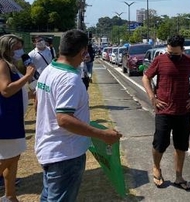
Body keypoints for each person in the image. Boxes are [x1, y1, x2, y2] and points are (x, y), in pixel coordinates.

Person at [35, 29, 122, 201]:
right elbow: (64, 119)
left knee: (48, 197)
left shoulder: (49, 70)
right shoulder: (69, 79)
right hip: (65, 154)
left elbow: (40, 103)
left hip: (49, 148)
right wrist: (104, 135)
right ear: (83, 52)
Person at [142, 35, 190, 190]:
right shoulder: (160, 60)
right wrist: (152, 97)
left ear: (182, 50)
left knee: (181, 145)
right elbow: (146, 78)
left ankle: (179, 177)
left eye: (175, 54)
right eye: (169, 52)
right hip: (163, 110)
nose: (171, 56)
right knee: (160, 143)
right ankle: (156, 167)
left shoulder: (189, 61)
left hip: (183, 111)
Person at [0, 34, 36, 202]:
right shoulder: (2, 65)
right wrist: (28, 76)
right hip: (6, 119)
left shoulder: (11, 66)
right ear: (6, 48)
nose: (20, 51)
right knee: (10, 157)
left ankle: (10, 196)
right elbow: (6, 90)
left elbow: (17, 90)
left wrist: (31, 93)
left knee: (14, 157)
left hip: (14, 117)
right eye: (16, 48)